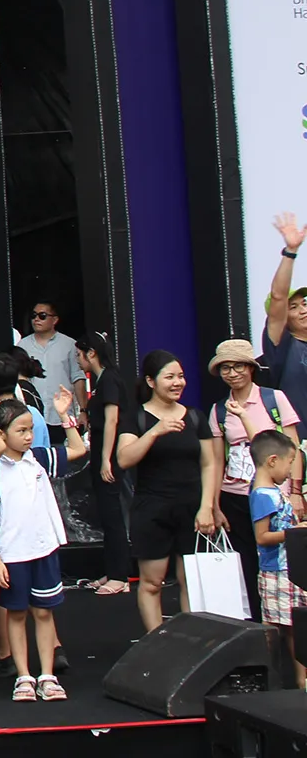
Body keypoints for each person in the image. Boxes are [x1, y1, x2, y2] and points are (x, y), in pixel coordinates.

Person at [0, 390, 86, 702]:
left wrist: (63, 415)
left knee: (45, 613)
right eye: (20, 430)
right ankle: (23, 676)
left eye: (30, 430)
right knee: (17, 614)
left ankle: (47, 675)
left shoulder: (38, 458)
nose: (28, 436)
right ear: (0, 434)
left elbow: (78, 449)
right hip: (12, 555)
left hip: (43, 549)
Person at [116, 350, 212, 632]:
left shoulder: (194, 417)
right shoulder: (137, 417)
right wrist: (155, 431)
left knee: (192, 581)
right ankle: (156, 642)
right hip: (152, 509)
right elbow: (124, 458)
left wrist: (208, 506)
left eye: (180, 376)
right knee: (152, 583)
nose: (177, 382)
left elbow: (209, 464)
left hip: (192, 509)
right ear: (151, 381)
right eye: (169, 377)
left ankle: (194, 640)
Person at [206, 337, 302, 606]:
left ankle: (285, 618)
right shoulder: (219, 410)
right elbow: (217, 461)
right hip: (235, 496)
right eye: (225, 368)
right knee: (246, 562)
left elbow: (293, 449)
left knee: (283, 558)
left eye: (238, 366)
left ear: (250, 368)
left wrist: (295, 492)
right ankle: (257, 621)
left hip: (275, 494)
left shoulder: (274, 399)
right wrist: (215, 505)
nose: (232, 373)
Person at [250, 429, 307, 685]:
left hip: (291, 568)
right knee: (286, 627)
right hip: (277, 571)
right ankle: (293, 679)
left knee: (297, 626)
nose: (290, 470)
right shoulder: (262, 495)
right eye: (290, 462)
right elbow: (262, 536)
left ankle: (300, 678)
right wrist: (294, 532)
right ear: (273, 460)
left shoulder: (273, 490)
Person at [77, 335, 130, 596]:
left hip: (109, 456)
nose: (78, 360)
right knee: (106, 516)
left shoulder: (109, 379)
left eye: (80, 354)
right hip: (100, 453)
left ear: (92, 353)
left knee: (113, 515)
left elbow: (112, 420)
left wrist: (107, 459)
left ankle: (120, 576)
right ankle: (112, 569)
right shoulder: (99, 381)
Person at [258, 212, 307, 421]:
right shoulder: (283, 346)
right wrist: (291, 252)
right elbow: (278, 297)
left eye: (304, 303)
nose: (303, 310)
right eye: (293, 307)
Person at [16, 302, 79, 443]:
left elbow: (78, 378)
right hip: (32, 416)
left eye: (42, 316)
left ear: (55, 320)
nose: (36, 319)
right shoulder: (22, 346)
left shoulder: (69, 344)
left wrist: (84, 411)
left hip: (61, 414)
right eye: (33, 315)